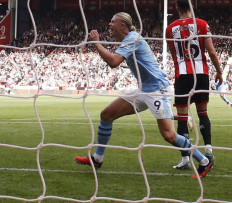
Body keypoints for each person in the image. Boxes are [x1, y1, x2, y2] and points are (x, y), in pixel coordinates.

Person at [75, 12, 215, 178]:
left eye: (113, 21)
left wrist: (97, 43)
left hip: (157, 90)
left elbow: (113, 62)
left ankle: (204, 161)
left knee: (169, 135)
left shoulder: (132, 38)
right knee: (106, 115)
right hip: (144, 89)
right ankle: (97, 159)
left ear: (123, 25)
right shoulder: (129, 39)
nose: (109, 24)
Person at [164, 0, 224, 170]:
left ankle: (185, 159)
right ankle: (209, 150)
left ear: (177, 8)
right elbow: (211, 52)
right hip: (201, 74)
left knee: (182, 116)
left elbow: (173, 53)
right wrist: (219, 73)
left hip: (182, 76)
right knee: (202, 112)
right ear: (192, 6)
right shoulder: (202, 24)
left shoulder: (170, 29)